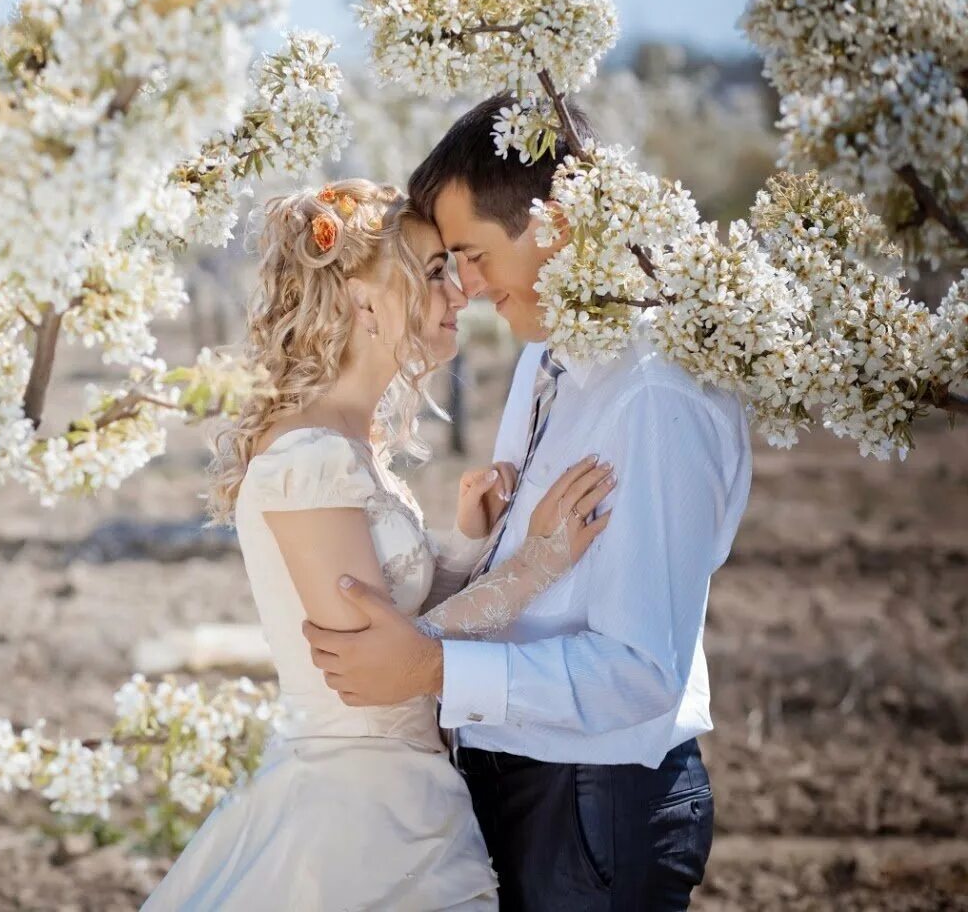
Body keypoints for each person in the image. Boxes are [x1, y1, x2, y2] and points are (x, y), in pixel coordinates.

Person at [303, 94, 753, 911]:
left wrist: (435, 667)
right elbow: (538, 579)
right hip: (511, 784)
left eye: (470, 254)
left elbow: (641, 671)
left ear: (556, 222)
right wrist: (489, 548)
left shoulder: (653, 399)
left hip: (593, 806)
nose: (465, 287)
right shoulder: (546, 354)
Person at [143, 178, 616, 911]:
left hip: (400, 796)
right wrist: (532, 567)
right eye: (432, 273)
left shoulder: (348, 445)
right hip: (360, 821)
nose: (459, 292)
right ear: (365, 302)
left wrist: (467, 547)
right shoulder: (310, 457)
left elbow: (405, 628)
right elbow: (374, 666)